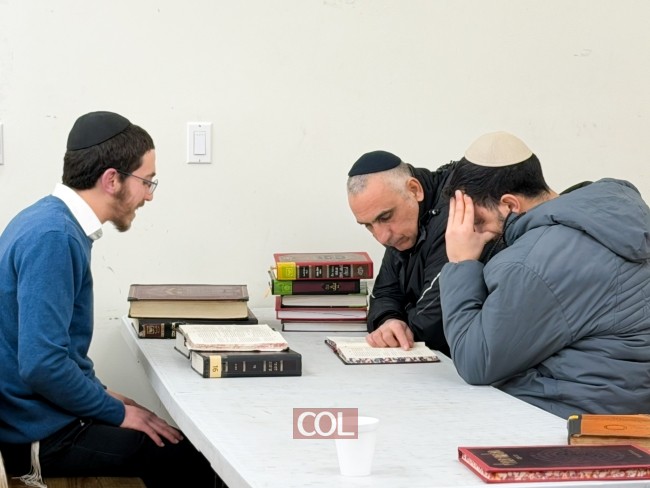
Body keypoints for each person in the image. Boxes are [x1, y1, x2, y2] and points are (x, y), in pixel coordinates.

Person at [0, 111, 218, 487]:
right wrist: (115, 412)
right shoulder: (54, 236)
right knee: (182, 457)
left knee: (163, 433)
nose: (149, 195)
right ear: (112, 179)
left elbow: (54, 350)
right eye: (146, 181)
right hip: (33, 433)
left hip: (35, 414)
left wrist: (101, 395)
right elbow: (41, 364)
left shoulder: (49, 220)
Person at [440, 130, 650, 418]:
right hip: (620, 403)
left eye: (478, 220)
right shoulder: (610, 220)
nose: (475, 232)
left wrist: (460, 262)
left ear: (510, 205)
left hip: (569, 416)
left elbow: (475, 362)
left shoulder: (534, 262)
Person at [347, 151, 464, 356]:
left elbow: (432, 322)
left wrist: (401, 326)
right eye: (368, 225)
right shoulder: (402, 230)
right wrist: (389, 321)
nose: (382, 237)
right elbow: (384, 294)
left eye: (385, 217)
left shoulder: (455, 211)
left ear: (414, 190)